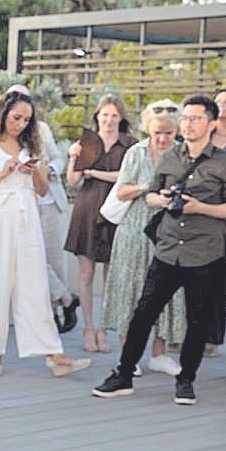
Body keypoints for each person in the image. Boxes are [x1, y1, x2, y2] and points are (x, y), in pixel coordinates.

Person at [93, 95, 226, 405]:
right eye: (186, 118)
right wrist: (164, 199)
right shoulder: (170, 158)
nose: (188, 124)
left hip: (204, 253)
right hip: (167, 250)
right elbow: (151, 196)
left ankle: (186, 381)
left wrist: (200, 208)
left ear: (211, 124)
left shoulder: (224, 163)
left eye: (195, 119)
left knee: (196, 321)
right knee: (143, 314)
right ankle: (123, 374)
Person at [0, 91, 91, 378]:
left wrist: (35, 169)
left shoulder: (32, 147)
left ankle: (54, 355)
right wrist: (3, 172)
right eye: (16, 118)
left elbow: (43, 190)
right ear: (1, 115)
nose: (21, 124)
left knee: (34, 283)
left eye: (26, 119)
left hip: (26, 217)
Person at [100, 101, 184, 376]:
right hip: (134, 232)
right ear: (148, 128)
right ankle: (129, 354)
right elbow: (121, 191)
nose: (161, 139)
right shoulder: (136, 152)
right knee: (131, 292)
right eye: (157, 132)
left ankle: (159, 354)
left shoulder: (183, 154)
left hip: (168, 234)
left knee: (164, 293)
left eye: (168, 133)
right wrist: (148, 188)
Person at [64, 94, 137, 353]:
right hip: (86, 210)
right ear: (97, 116)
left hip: (116, 212)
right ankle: (87, 330)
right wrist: (73, 157)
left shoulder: (130, 145)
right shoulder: (86, 142)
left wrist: (93, 172)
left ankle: (104, 330)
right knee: (85, 274)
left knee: (110, 276)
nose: (109, 120)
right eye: (104, 114)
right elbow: (72, 181)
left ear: (121, 118)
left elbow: (126, 176)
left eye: (114, 115)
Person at [6, 84, 79, 333]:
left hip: (49, 204)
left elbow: (59, 159)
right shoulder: (2, 135)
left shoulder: (42, 129)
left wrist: (47, 171)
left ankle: (56, 314)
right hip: (21, 207)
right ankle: (64, 298)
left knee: (54, 260)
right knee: (29, 260)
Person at [204, 88, 226, 358]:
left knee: (222, 281)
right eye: (219, 101)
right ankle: (202, 333)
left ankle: (213, 334)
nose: (222, 106)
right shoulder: (203, 138)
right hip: (202, 218)